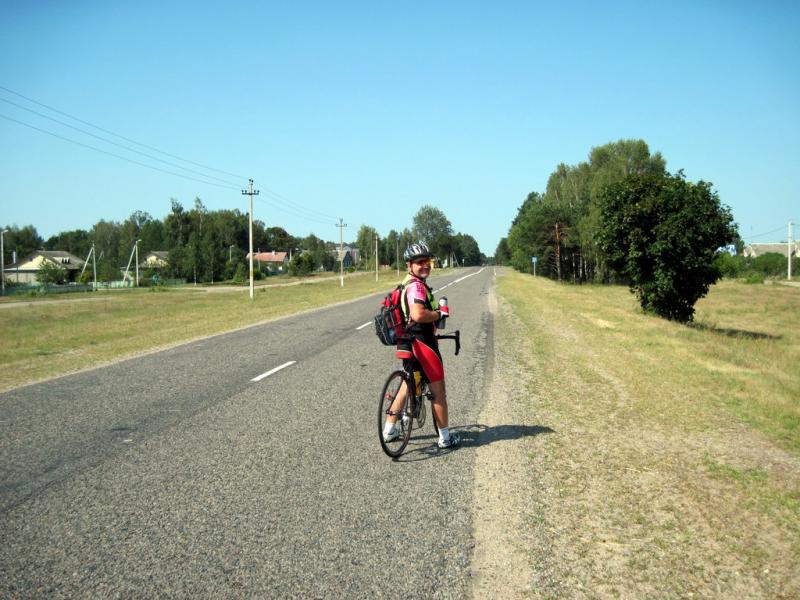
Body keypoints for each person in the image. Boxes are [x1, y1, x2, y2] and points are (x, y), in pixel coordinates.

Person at [382, 241, 460, 449]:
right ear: (410, 265)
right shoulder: (416, 286)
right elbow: (418, 314)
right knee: (438, 391)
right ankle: (445, 438)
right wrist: (439, 314)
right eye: (420, 262)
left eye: (428, 261)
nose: (425, 265)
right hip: (422, 341)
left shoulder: (406, 282)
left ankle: (389, 430)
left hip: (407, 339)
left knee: (408, 384)